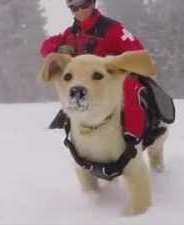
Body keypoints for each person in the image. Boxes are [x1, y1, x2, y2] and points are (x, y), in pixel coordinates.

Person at [40, 0, 158, 145]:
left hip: (110, 80)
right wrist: (58, 50)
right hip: (84, 85)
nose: (80, 11)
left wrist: (114, 64)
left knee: (127, 88)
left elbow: (136, 50)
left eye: (84, 5)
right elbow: (45, 47)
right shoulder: (70, 33)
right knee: (69, 91)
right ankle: (62, 136)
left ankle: (132, 136)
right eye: (74, 8)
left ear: (93, 3)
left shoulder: (113, 29)